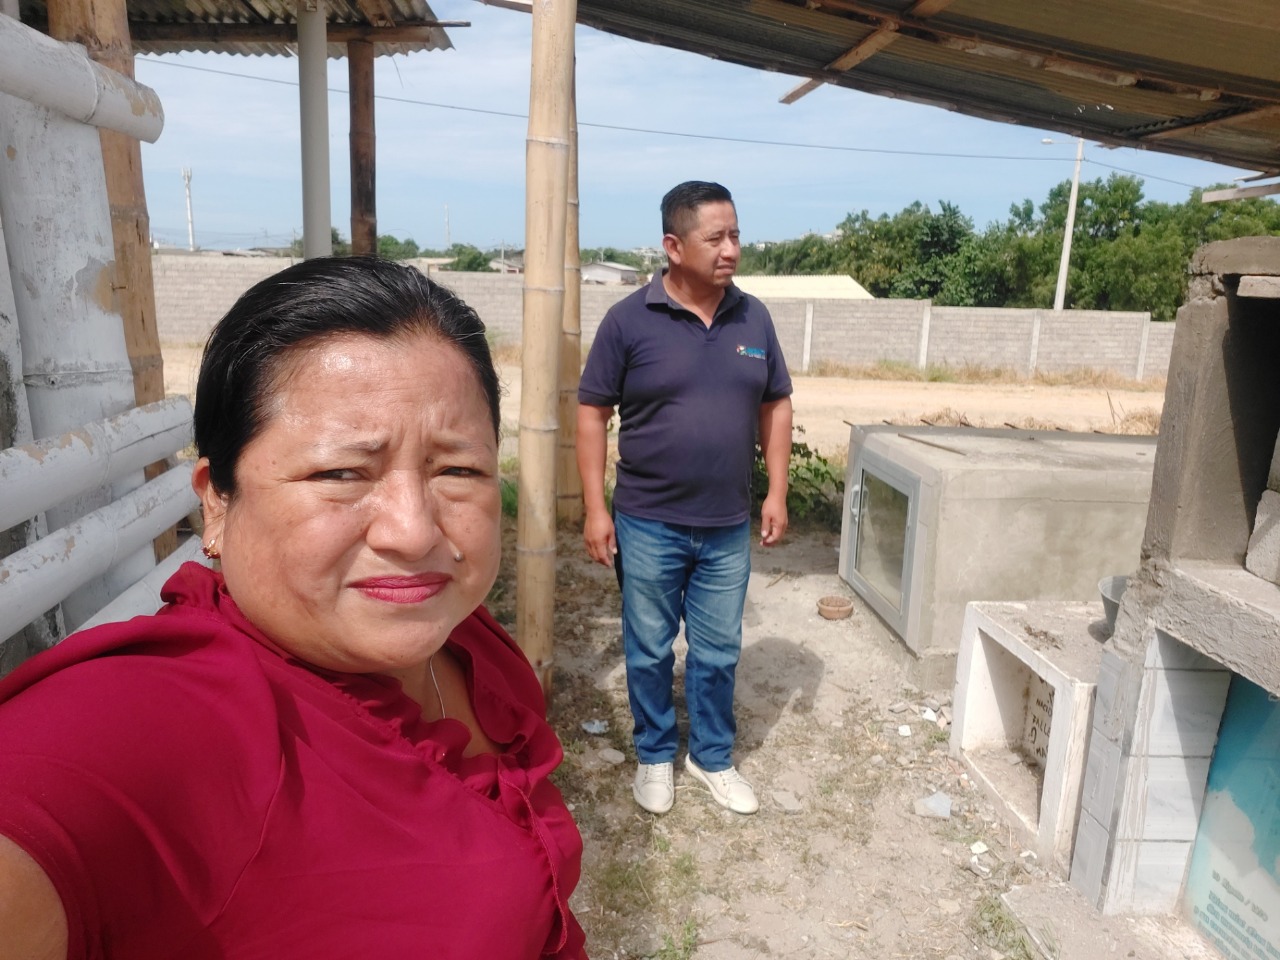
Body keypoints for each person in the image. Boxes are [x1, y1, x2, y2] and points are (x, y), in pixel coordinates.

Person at [0, 257, 588, 960]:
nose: (414, 532)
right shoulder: (157, 715)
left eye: (458, 469)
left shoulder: (462, 638)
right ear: (217, 504)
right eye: (340, 473)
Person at [576, 181, 793, 816]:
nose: (731, 250)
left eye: (736, 235)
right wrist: (596, 508)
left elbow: (776, 404)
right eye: (715, 238)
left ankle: (711, 757)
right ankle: (653, 753)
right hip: (647, 521)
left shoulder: (753, 318)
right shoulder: (628, 320)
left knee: (718, 650)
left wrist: (776, 491)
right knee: (648, 648)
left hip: (725, 523)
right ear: (673, 246)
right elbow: (592, 413)